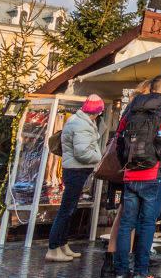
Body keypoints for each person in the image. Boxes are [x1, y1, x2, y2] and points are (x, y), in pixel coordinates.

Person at [113, 75, 161, 278]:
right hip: (154, 174)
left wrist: (125, 165)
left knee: (127, 223)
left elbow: (118, 138)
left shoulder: (132, 109)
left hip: (131, 173)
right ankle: (141, 271)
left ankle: (120, 270)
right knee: (147, 223)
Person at [101, 79, 152, 277]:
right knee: (128, 217)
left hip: (124, 168)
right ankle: (119, 261)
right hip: (132, 168)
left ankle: (112, 260)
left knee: (125, 215)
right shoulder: (140, 110)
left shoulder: (131, 108)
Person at [46, 95, 105, 262]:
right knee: (66, 210)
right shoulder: (81, 124)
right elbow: (83, 153)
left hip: (75, 170)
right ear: (97, 111)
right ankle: (53, 248)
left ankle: (62, 244)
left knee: (69, 210)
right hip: (76, 170)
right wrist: (99, 156)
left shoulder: (80, 121)